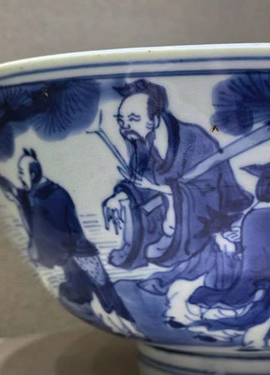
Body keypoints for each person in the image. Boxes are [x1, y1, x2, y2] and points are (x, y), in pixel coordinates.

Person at [100, 79, 253, 295]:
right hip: (171, 212)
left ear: (155, 119)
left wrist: (170, 191)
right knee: (145, 234)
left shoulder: (194, 140)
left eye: (133, 119)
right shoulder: (141, 142)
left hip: (211, 212)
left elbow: (210, 190)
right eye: (121, 121)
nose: (125, 128)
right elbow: (140, 182)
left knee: (187, 256)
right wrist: (121, 196)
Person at [0, 149, 135, 326]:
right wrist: (18, 199)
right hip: (66, 255)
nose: (19, 177)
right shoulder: (35, 193)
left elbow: (61, 229)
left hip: (78, 251)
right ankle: (108, 315)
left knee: (102, 288)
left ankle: (121, 318)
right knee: (80, 291)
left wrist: (57, 252)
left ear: (32, 173)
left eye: (21, 172)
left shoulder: (54, 194)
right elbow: (32, 217)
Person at [188, 162, 270, 349]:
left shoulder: (250, 217)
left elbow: (250, 253)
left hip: (250, 281)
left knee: (242, 308)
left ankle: (216, 324)